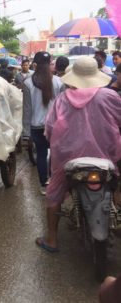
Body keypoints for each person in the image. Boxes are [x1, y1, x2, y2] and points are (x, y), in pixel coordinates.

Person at [35, 56, 121, 253]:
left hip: (68, 158)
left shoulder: (61, 100)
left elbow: (49, 129)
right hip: (107, 156)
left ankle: (52, 239)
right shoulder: (110, 96)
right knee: (116, 183)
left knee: (54, 193)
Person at [23, 52, 65, 195]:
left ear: (35, 64)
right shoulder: (59, 82)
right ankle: (54, 182)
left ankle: (44, 184)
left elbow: (27, 109)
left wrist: (26, 133)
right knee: (54, 155)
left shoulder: (28, 83)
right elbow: (63, 107)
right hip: (55, 125)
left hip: (36, 126)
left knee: (41, 155)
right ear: (50, 64)